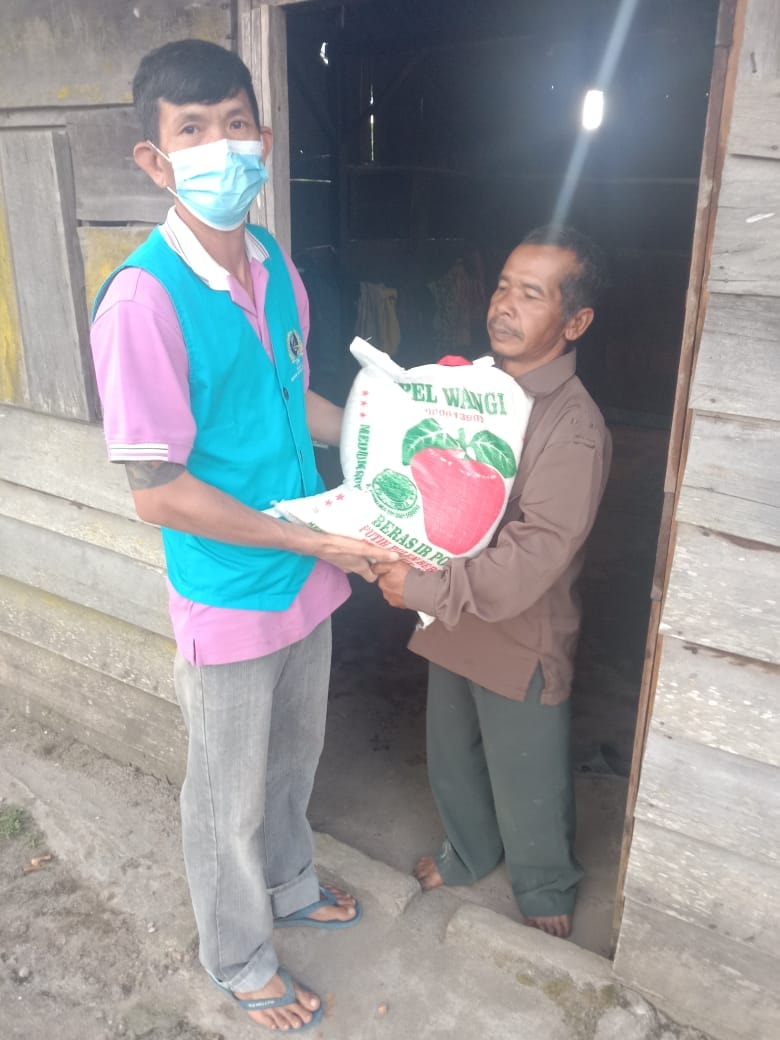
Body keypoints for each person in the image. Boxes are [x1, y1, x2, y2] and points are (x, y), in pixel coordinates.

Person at [89, 39, 398, 1032]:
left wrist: (386, 429)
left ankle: (291, 881)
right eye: (192, 130)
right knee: (227, 795)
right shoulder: (143, 301)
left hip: (307, 565)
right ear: (155, 160)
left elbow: (291, 397)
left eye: (234, 123)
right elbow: (156, 492)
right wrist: (307, 541)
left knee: (295, 756)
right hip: (230, 586)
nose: (221, 145)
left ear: (262, 137)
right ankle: (235, 951)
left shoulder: (271, 263)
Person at [373, 225, 611, 940]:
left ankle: (544, 882)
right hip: (455, 617)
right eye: (504, 286)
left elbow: (533, 558)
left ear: (575, 322)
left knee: (526, 766)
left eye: (532, 294)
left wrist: (421, 590)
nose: (504, 305)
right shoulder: (471, 393)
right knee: (454, 753)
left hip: (521, 633)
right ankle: (470, 850)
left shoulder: (573, 427)